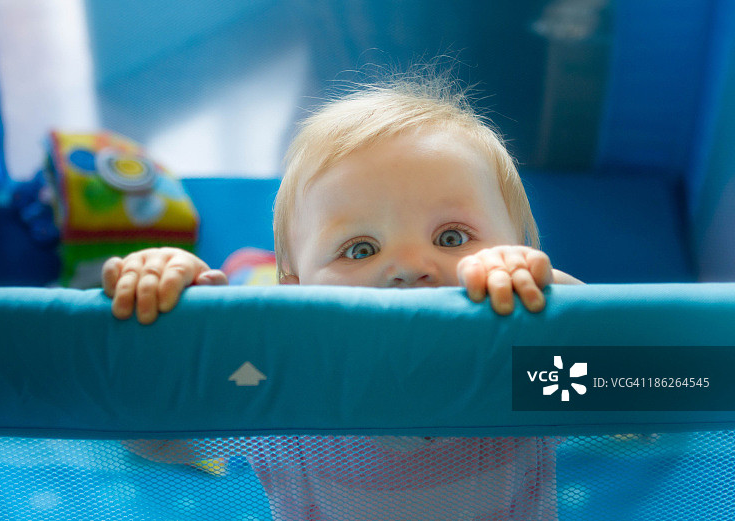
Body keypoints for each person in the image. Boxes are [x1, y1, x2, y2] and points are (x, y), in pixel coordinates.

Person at [104, 73, 581, 520]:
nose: (410, 267)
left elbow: (640, 381)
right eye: (360, 249)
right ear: (295, 297)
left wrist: (554, 304)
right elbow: (149, 434)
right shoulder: (281, 386)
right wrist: (168, 321)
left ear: (522, 254)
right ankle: (249, 272)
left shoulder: (521, 373)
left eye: (453, 238)